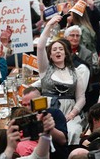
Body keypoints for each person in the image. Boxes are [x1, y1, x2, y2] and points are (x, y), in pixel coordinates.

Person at [34, 15, 87, 145]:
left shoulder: (75, 72)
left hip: (69, 112)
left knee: (73, 131)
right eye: (54, 50)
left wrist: (73, 113)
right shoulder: (45, 69)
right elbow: (40, 46)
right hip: (48, 109)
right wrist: (49, 25)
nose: (58, 51)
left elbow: (81, 97)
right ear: (50, 55)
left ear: (65, 53)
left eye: (61, 49)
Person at [21, 87, 69, 158]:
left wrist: (49, 128)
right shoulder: (22, 117)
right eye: (24, 105)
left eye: (30, 104)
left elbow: (63, 140)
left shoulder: (54, 113)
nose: (28, 108)